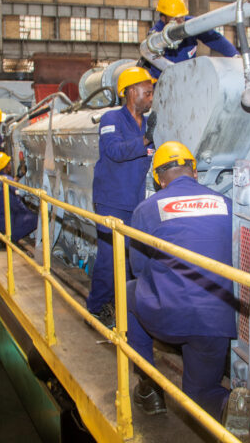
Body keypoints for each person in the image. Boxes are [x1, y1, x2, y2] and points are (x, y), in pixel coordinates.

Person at [126, 141, 250, 441]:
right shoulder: (227, 203)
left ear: (158, 178)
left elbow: (139, 268)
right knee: (198, 393)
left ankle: (149, 385)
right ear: (194, 171)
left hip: (169, 316)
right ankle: (225, 404)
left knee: (129, 291)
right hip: (217, 320)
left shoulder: (146, 209)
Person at [87, 66, 157, 328]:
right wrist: (145, 141)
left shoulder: (149, 122)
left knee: (135, 259)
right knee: (109, 258)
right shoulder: (111, 120)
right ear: (130, 92)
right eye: (146, 92)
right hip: (112, 200)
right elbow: (114, 151)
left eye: (152, 93)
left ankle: (126, 307)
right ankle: (95, 307)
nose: (150, 97)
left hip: (138, 201)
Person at [147, 0, 239, 79]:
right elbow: (158, 69)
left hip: (188, 80)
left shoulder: (190, 25)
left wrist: (234, 55)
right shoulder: (155, 38)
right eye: (175, 19)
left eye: (181, 17)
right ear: (163, 18)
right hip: (163, 84)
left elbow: (214, 38)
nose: (180, 22)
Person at [0, 151, 37, 244]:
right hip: (2, 221)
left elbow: (4, 188)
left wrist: (18, 176)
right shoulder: (7, 180)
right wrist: (29, 212)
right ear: (5, 166)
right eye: (8, 163)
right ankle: (9, 239)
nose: (10, 165)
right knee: (35, 218)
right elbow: (17, 205)